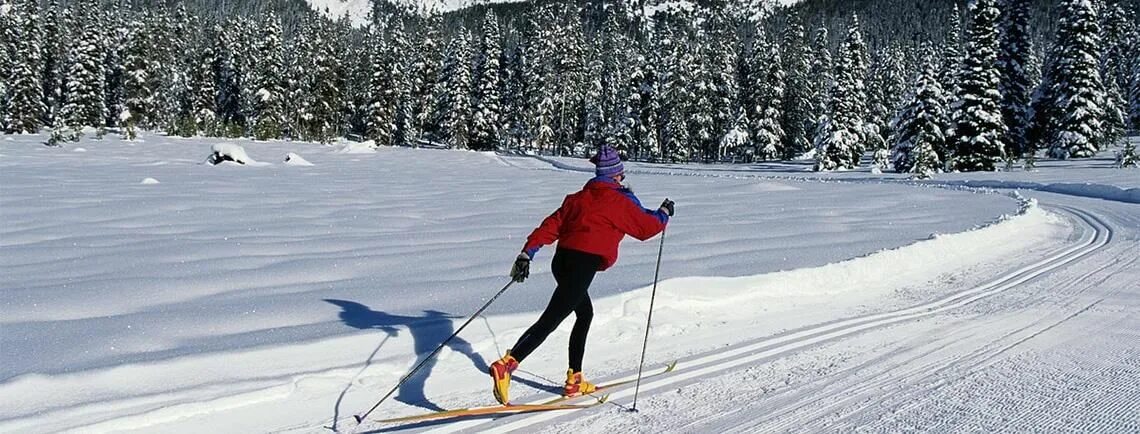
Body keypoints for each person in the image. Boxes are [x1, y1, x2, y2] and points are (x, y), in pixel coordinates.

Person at [489, 145, 675, 404]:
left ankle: (574, 379)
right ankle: (506, 364)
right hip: (582, 266)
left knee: (584, 314)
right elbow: (647, 227)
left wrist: (526, 254)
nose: (622, 178)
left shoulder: (577, 199)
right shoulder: (619, 200)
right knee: (550, 320)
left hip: (562, 262)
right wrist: (664, 213)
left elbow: (550, 226)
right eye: (621, 174)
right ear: (615, 175)